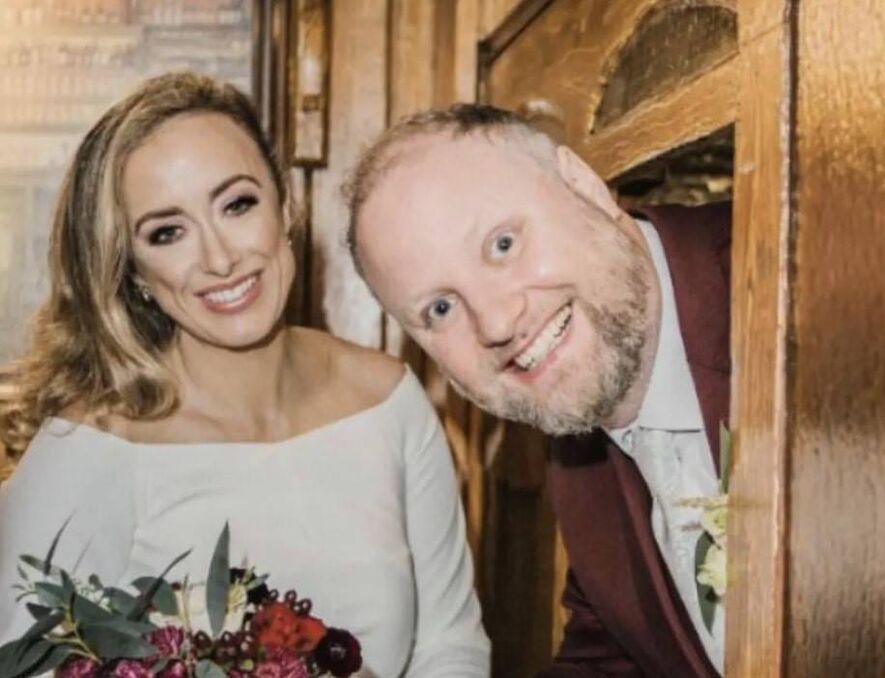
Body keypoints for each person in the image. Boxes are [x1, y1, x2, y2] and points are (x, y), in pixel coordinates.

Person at [0, 73, 489, 677]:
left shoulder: (388, 402)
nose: (221, 258)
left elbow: (450, 646)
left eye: (237, 204)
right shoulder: (86, 450)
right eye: (168, 233)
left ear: (284, 206)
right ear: (133, 274)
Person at [347, 104, 730, 677]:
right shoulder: (578, 448)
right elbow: (607, 660)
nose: (497, 323)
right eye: (441, 308)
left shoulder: (802, 280)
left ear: (583, 185)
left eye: (503, 245)